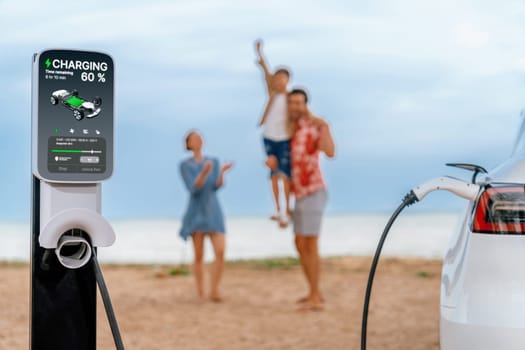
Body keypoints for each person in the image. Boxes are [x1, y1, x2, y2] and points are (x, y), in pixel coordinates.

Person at [288, 88, 335, 311]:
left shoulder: (314, 127)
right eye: (292, 103)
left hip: (314, 190)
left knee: (311, 243)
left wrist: (324, 126)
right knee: (299, 243)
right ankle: (313, 291)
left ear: (305, 104)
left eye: (299, 103)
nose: (295, 106)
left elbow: (330, 151)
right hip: (298, 194)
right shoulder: (289, 130)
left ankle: (315, 296)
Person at [179, 130, 233, 302]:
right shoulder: (185, 165)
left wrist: (222, 173)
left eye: (200, 137)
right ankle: (201, 292)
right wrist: (204, 172)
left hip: (213, 210)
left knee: (220, 250)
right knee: (199, 254)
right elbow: (193, 188)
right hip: (196, 211)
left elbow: (216, 186)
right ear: (189, 143)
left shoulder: (214, 161)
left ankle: (215, 290)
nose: (198, 139)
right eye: (194, 138)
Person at [255, 39, 292, 227]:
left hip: (285, 137)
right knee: (274, 173)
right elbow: (265, 72)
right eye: (275, 79)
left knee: (285, 174)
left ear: (288, 80)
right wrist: (260, 54)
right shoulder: (272, 94)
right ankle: (278, 209)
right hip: (269, 136)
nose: (277, 81)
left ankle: (286, 211)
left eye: (281, 78)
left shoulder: (291, 98)